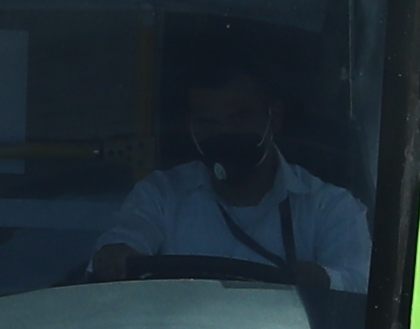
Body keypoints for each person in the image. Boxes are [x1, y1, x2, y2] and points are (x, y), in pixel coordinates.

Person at [94, 46, 369, 293]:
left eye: (240, 118)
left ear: (274, 117)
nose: (224, 133)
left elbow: (360, 285)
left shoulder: (330, 208)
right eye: (207, 123)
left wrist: (323, 280)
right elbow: (127, 239)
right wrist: (116, 256)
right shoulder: (160, 195)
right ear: (190, 125)